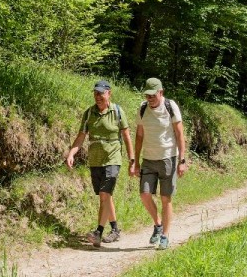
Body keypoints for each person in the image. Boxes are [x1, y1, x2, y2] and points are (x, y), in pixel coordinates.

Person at [65, 80, 133, 247]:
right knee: (105, 195)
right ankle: (115, 229)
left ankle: (98, 233)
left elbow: (126, 136)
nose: (98, 97)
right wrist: (72, 152)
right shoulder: (89, 113)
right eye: (96, 93)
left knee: (104, 194)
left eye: (101, 93)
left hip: (113, 158)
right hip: (95, 160)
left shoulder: (117, 111)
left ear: (109, 93)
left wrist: (132, 160)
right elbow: (81, 136)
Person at [130, 77, 188, 250]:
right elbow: (139, 135)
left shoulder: (170, 107)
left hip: (168, 158)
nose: (150, 98)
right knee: (144, 194)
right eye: (147, 95)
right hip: (148, 158)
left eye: (153, 95)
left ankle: (165, 236)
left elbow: (179, 134)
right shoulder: (142, 108)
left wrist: (182, 160)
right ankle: (158, 225)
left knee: (165, 199)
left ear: (160, 92)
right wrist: (135, 161)